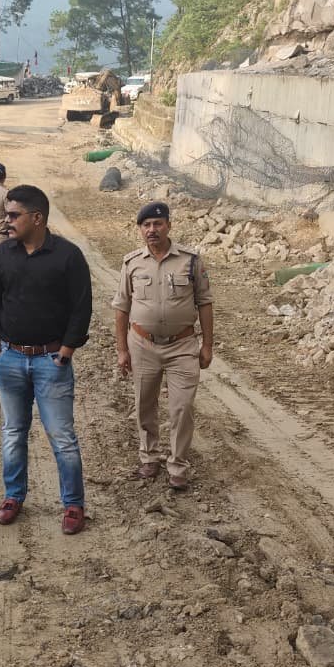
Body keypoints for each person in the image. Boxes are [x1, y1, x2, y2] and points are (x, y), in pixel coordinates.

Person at [0, 185, 92, 535]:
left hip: (51, 363)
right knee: (13, 432)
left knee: (62, 436)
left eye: (14, 215)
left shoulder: (68, 256)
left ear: (37, 218)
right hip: (10, 359)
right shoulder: (4, 254)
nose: (7, 221)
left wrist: (66, 351)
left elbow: (81, 308)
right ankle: (13, 496)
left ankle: (73, 504)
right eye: (7, 214)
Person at [112, 202, 214, 491]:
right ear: (140, 229)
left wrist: (207, 345)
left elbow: (205, 303)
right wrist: (122, 349)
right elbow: (121, 307)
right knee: (144, 403)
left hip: (182, 345)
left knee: (182, 407)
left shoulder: (190, 261)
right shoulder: (132, 263)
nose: (152, 230)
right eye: (146, 225)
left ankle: (178, 465)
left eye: (157, 224)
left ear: (169, 225)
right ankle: (149, 456)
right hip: (142, 345)